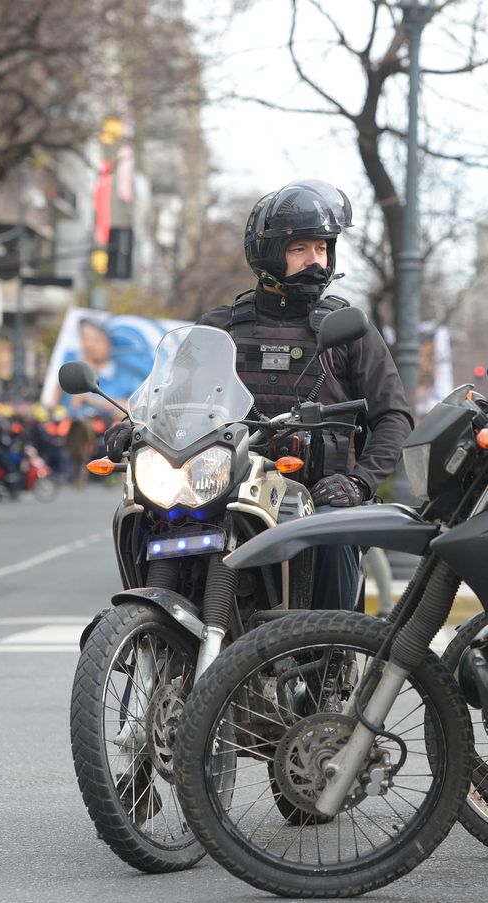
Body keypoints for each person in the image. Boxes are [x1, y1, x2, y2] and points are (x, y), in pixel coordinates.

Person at [106, 179, 412, 610]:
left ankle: (331, 654)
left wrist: (358, 482)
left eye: (322, 249)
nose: (315, 261)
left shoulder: (349, 329)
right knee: (150, 516)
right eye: (300, 249)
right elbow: (167, 401)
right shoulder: (219, 325)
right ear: (269, 252)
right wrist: (132, 424)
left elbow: (394, 417)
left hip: (315, 492)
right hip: (223, 486)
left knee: (331, 534)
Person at [64, 415, 94, 488]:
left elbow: (67, 439)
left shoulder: (71, 427)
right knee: (82, 466)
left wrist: (67, 448)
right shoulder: (84, 427)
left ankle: (75, 480)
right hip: (82, 450)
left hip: (73, 450)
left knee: (74, 465)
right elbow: (89, 438)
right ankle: (81, 482)